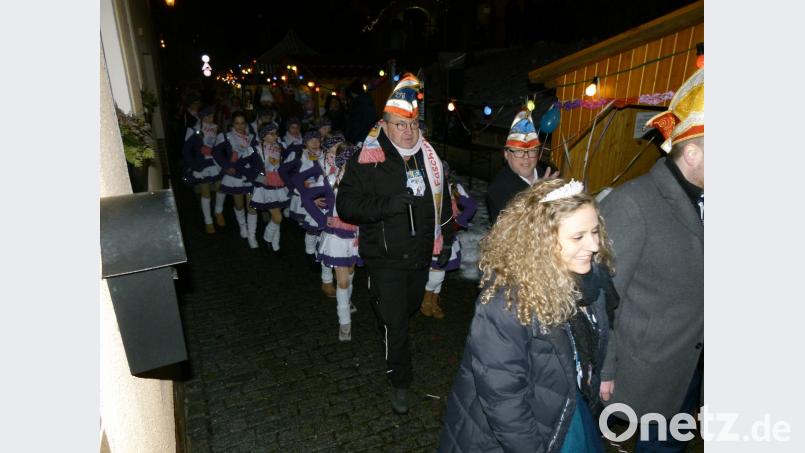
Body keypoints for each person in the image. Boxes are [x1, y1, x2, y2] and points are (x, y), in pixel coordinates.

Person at [439, 178, 619, 452]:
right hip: (525, 433)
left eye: (595, 231)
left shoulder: (591, 280)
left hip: (566, 408)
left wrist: (603, 372)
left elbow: (601, 334)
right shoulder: (507, 303)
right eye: (578, 236)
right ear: (542, 240)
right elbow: (504, 400)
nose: (594, 245)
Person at [598, 68, 704, 452]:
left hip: (689, 365)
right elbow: (602, 293)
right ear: (691, 152)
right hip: (645, 369)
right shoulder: (633, 203)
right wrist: (605, 369)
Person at [337, 73, 454, 415]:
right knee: (396, 323)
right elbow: (346, 205)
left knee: (410, 306)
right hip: (384, 256)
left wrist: (444, 241)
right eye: (400, 124)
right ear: (385, 124)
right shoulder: (367, 157)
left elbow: (443, 201)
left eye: (413, 124)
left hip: (418, 254)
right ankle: (400, 380)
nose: (408, 131)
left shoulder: (428, 158)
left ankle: (387, 322)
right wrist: (386, 207)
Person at [301, 141, 362, 341]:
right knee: (342, 281)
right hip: (336, 235)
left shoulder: (364, 182)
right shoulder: (331, 179)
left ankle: (347, 302)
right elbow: (307, 197)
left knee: (351, 274)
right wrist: (321, 219)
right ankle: (344, 323)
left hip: (356, 236)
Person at [421, 163, 478, 319]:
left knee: (441, 271)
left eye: (442, 172)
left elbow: (471, 206)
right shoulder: (423, 187)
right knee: (437, 273)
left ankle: (433, 301)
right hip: (430, 236)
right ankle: (426, 300)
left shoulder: (454, 188)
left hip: (448, 236)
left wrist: (458, 221)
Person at [486, 108, 559, 225]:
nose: (526, 157)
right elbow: (511, 232)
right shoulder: (497, 189)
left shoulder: (551, 174)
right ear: (506, 154)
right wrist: (536, 194)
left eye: (532, 151)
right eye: (519, 151)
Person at [213, 111, 262, 244]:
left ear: (246, 124)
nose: (240, 126)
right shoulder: (226, 136)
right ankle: (242, 226)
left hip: (249, 175)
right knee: (239, 205)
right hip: (234, 176)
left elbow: (257, 156)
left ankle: (252, 236)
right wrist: (226, 166)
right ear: (232, 124)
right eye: (237, 123)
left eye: (242, 123)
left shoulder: (252, 137)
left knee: (252, 206)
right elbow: (216, 153)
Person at [181, 106, 223, 234]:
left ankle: (218, 211)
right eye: (207, 116)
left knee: (220, 188)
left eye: (212, 116)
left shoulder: (216, 128)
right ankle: (208, 221)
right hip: (201, 164)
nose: (210, 119)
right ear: (201, 117)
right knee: (206, 193)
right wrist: (194, 166)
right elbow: (186, 151)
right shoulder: (193, 130)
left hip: (214, 163)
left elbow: (218, 146)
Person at [249, 123, 290, 251]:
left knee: (275, 216)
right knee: (277, 217)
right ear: (263, 136)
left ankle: (274, 244)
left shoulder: (281, 146)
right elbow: (242, 166)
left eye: (276, 133)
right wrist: (260, 178)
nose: (275, 136)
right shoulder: (255, 148)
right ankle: (267, 237)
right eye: (271, 134)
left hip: (279, 185)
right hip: (265, 187)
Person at [344, 79, 377, 144]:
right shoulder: (369, 101)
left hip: (359, 140)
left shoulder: (357, 104)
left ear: (351, 92)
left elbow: (355, 124)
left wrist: (349, 139)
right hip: (370, 137)